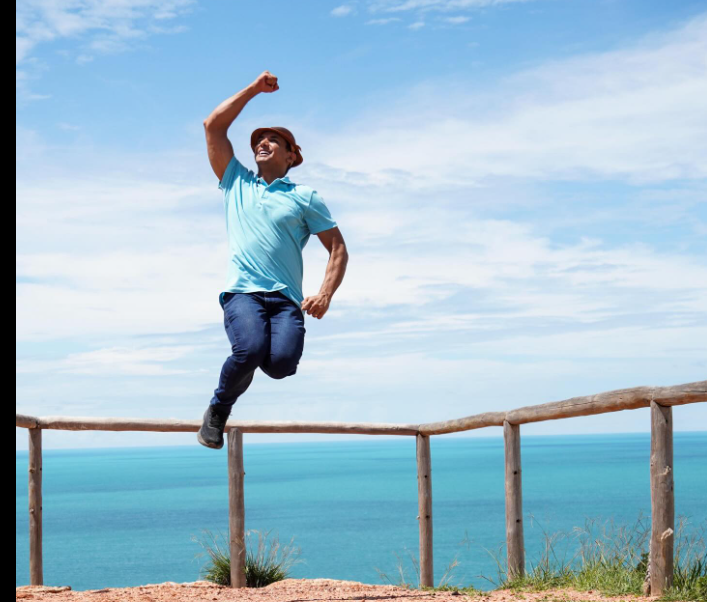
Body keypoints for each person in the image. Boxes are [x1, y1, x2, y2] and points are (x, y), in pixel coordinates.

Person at [198, 70, 349, 449]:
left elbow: (338, 248)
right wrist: (254, 89)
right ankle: (218, 410)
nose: (262, 143)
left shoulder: (305, 197)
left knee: (281, 365)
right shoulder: (236, 180)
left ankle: (250, 364)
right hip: (243, 293)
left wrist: (325, 293)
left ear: (291, 155)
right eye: (258, 140)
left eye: (273, 140)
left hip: (285, 300)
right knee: (248, 350)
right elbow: (213, 126)